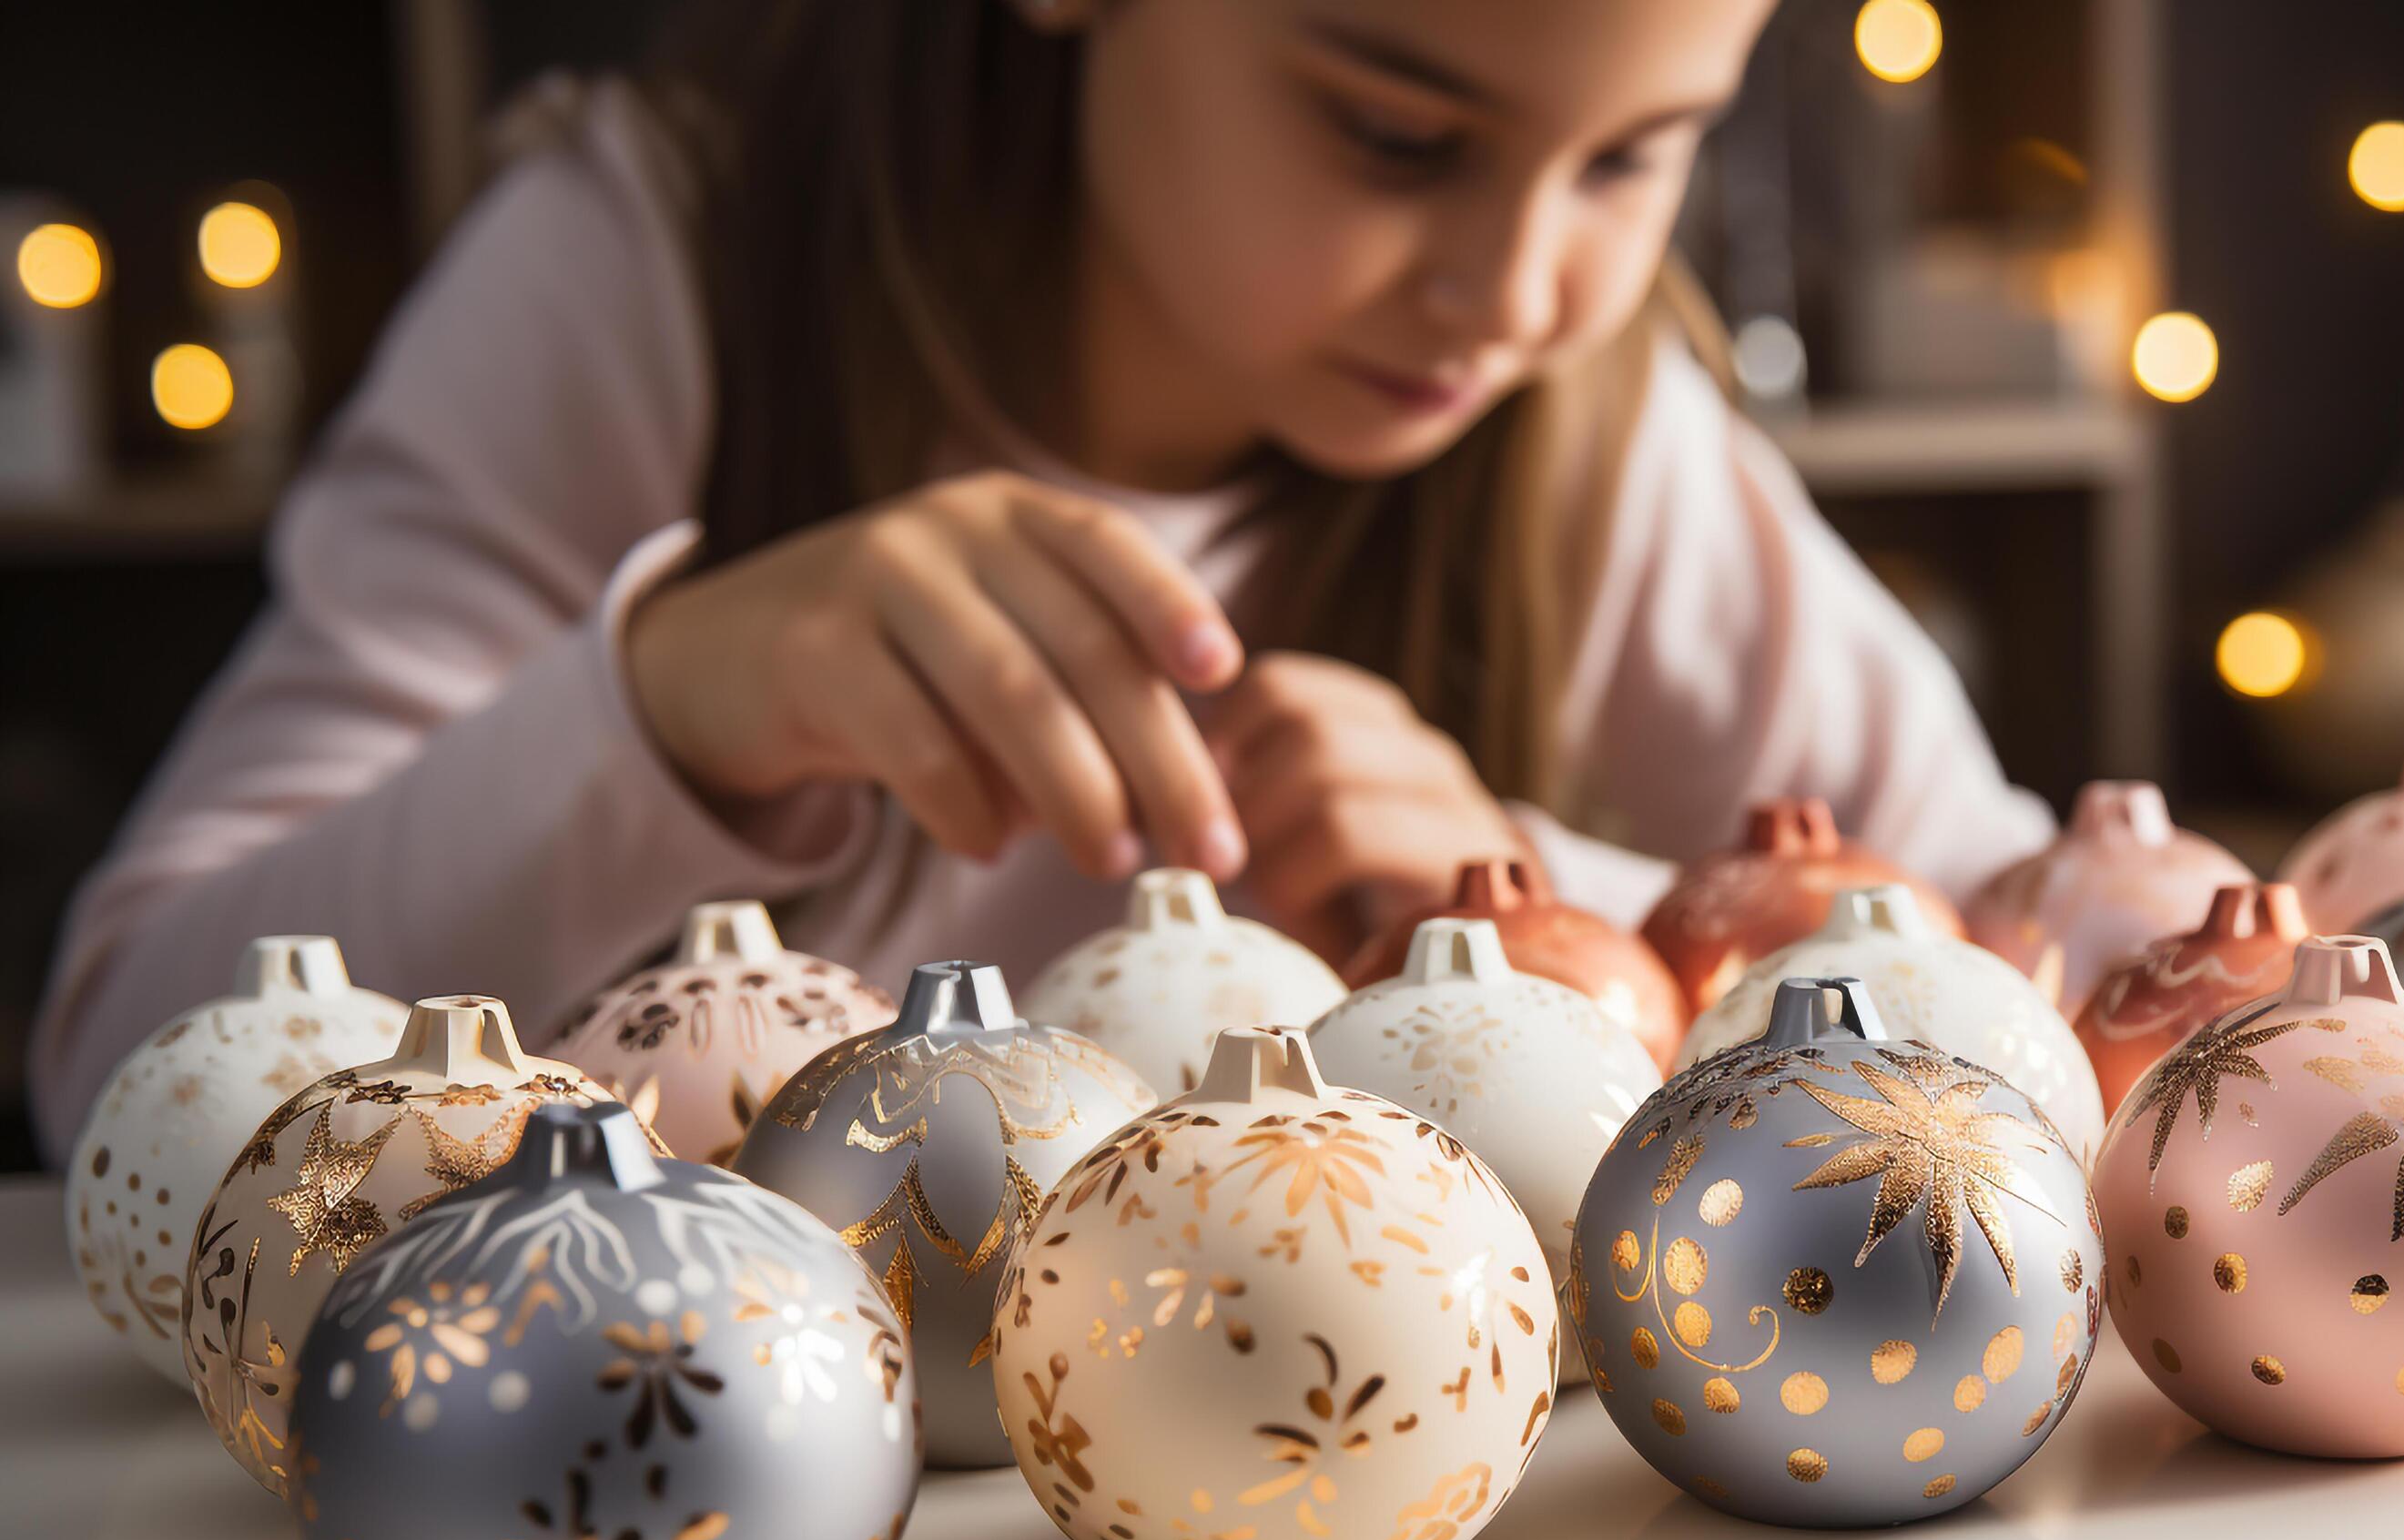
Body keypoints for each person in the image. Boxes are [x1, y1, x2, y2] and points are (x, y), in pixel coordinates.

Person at [30, 0, 2051, 1155]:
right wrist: (662, 706)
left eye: (1633, 159)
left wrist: (1524, 893)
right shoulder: (649, 264)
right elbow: (127, 1050)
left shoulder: (1591, 423)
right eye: (1391, 131)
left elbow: (2017, 991)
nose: (1521, 289)